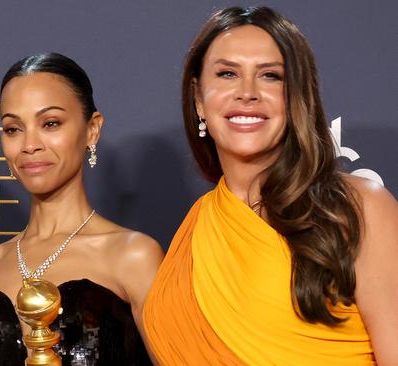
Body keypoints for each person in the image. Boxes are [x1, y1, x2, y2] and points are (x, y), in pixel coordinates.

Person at [143, 6, 398, 365]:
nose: (247, 92)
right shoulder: (195, 228)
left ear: (296, 98)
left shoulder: (360, 208)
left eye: (270, 76)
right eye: (228, 73)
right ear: (199, 99)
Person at [0, 53, 163, 365]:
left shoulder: (133, 257)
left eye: (50, 123)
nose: (30, 144)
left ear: (92, 129)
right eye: (13, 129)